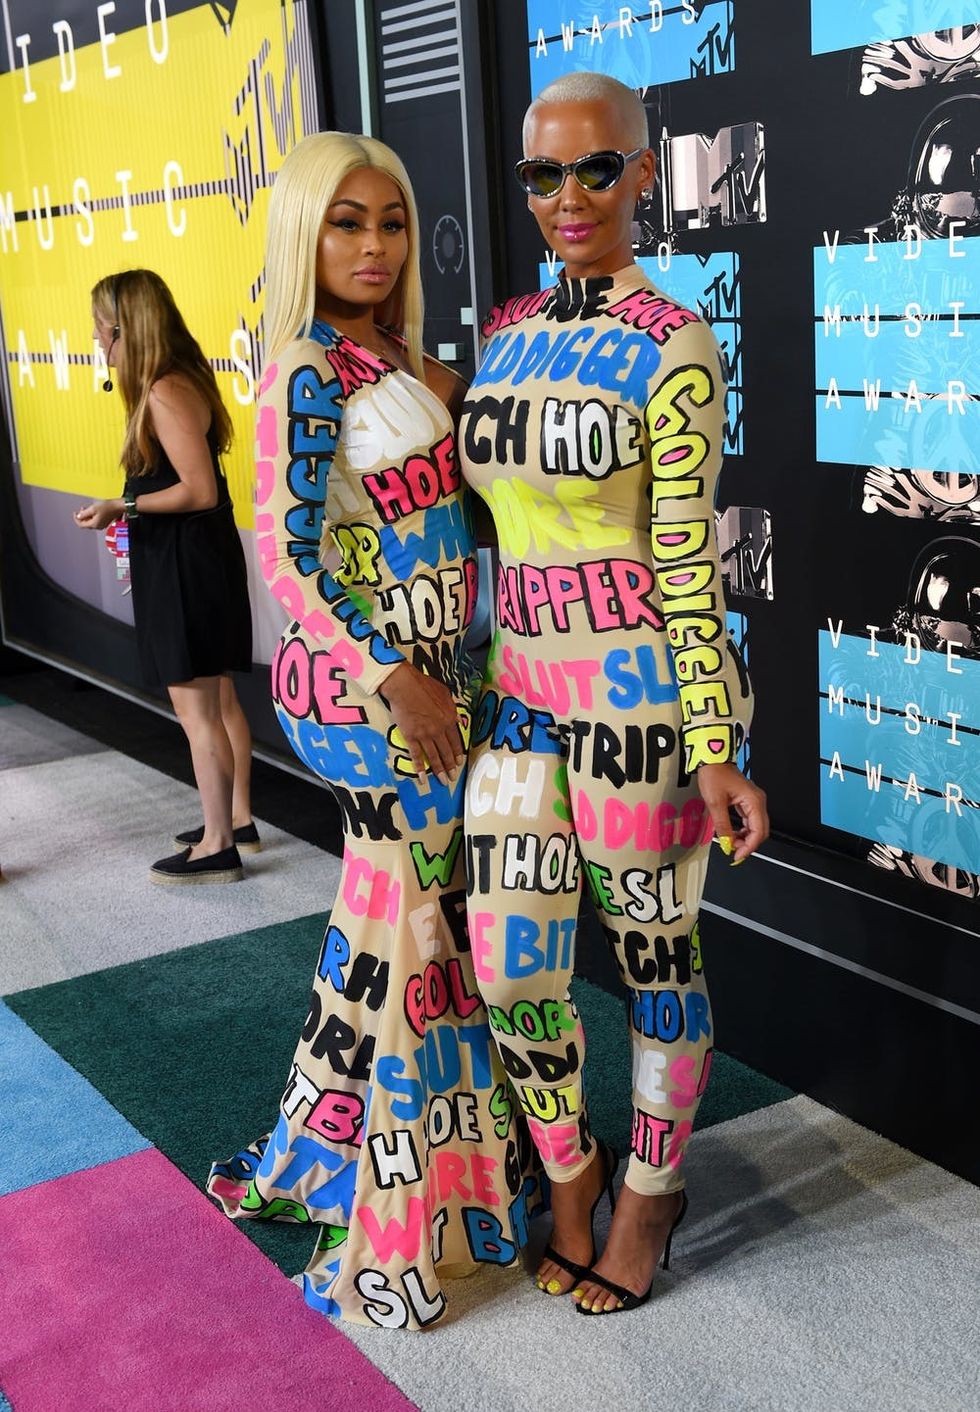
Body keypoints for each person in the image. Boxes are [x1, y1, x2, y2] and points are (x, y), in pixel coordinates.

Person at [206, 131, 540, 1329]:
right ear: (306, 230)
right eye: (346, 222)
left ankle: (345, 1149)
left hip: (437, 672)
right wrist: (392, 674)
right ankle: (411, 1210)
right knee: (419, 919)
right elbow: (283, 556)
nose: (374, 244)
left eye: (391, 221)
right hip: (365, 691)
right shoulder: (302, 368)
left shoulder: (394, 358)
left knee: (396, 913)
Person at [457, 72, 769, 1315]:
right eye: (542, 174)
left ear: (642, 172)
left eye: (595, 168)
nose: (568, 195)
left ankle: (647, 1194)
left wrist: (714, 743)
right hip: (517, 698)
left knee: (653, 957)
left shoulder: (675, 341)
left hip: (638, 699)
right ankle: (569, 1170)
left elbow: (686, 557)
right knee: (508, 968)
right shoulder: (506, 332)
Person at [75, 270, 256, 883]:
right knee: (212, 705)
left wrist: (120, 506)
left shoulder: (163, 391)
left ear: (126, 329)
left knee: (197, 714)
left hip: (184, 564)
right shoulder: (179, 380)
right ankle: (226, 826)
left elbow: (198, 491)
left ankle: (218, 843)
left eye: (102, 327)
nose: (97, 338)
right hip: (194, 559)